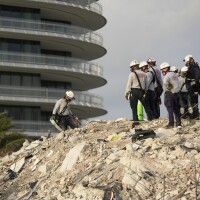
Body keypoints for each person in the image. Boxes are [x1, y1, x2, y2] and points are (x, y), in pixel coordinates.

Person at [160, 62, 181, 128]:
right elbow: (178, 83)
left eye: (163, 69)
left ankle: (171, 123)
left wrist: (169, 88)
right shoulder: (175, 75)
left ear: (166, 68)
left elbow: (165, 83)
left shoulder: (167, 75)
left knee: (170, 108)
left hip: (169, 93)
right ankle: (178, 124)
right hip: (176, 93)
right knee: (175, 109)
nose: (162, 71)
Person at [183, 55, 200, 119]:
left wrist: (194, 82)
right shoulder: (190, 67)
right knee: (191, 100)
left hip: (194, 87)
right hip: (190, 86)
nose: (186, 63)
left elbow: (197, 77)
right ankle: (193, 115)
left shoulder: (195, 67)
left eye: (187, 62)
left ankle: (196, 116)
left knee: (194, 101)